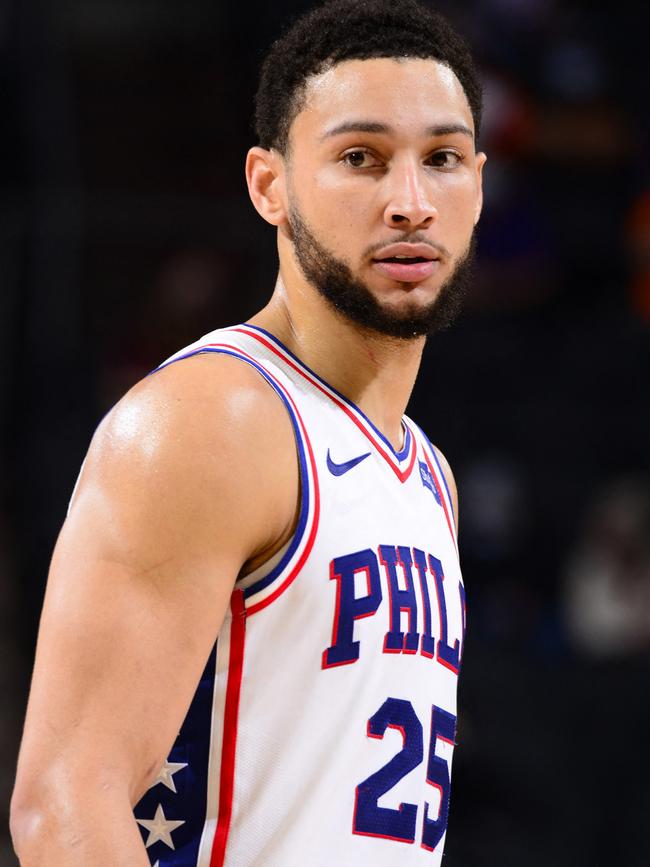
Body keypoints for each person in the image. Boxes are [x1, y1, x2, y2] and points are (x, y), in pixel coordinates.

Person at [10, 0, 486, 863]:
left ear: (480, 183)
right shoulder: (212, 421)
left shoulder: (429, 475)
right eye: (361, 158)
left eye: (442, 159)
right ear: (269, 183)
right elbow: (62, 802)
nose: (412, 202)